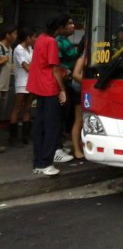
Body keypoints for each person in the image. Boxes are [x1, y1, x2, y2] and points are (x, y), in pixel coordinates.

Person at [27, 15, 69, 176]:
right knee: (52, 126)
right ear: (59, 28)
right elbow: (55, 69)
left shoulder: (40, 39)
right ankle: (46, 163)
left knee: (39, 125)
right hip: (49, 87)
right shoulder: (51, 42)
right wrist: (63, 89)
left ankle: (38, 163)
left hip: (37, 86)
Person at [55, 14, 78, 161]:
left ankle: (60, 144)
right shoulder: (58, 42)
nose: (73, 26)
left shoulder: (66, 41)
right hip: (62, 84)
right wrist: (68, 74)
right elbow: (56, 65)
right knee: (58, 116)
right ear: (61, 27)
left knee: (64, 116)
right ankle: (56, 148)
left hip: (69, 84)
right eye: (69, 24)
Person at [9, 27, 35, 147]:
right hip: (21, 81)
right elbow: (27, 67)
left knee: (28, 108)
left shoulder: (30, 48)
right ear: (27, 37)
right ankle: (13, 137)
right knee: (17, 108)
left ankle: (25, 135)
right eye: (33, 37)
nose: (34, 39)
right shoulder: (18, 49)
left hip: (31, 81)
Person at [0, 24, 17, 152]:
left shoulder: (10, 48)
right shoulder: (0, 47)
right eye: (14, 34)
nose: (16, 36)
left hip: (4, 86)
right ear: (7, 35)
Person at [70, 36, 87, 159]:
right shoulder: (82, 58)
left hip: (86, 92)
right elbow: (75, 75)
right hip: (80, 91)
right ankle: (76, 149)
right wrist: (89, 84)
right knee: (79, 120)